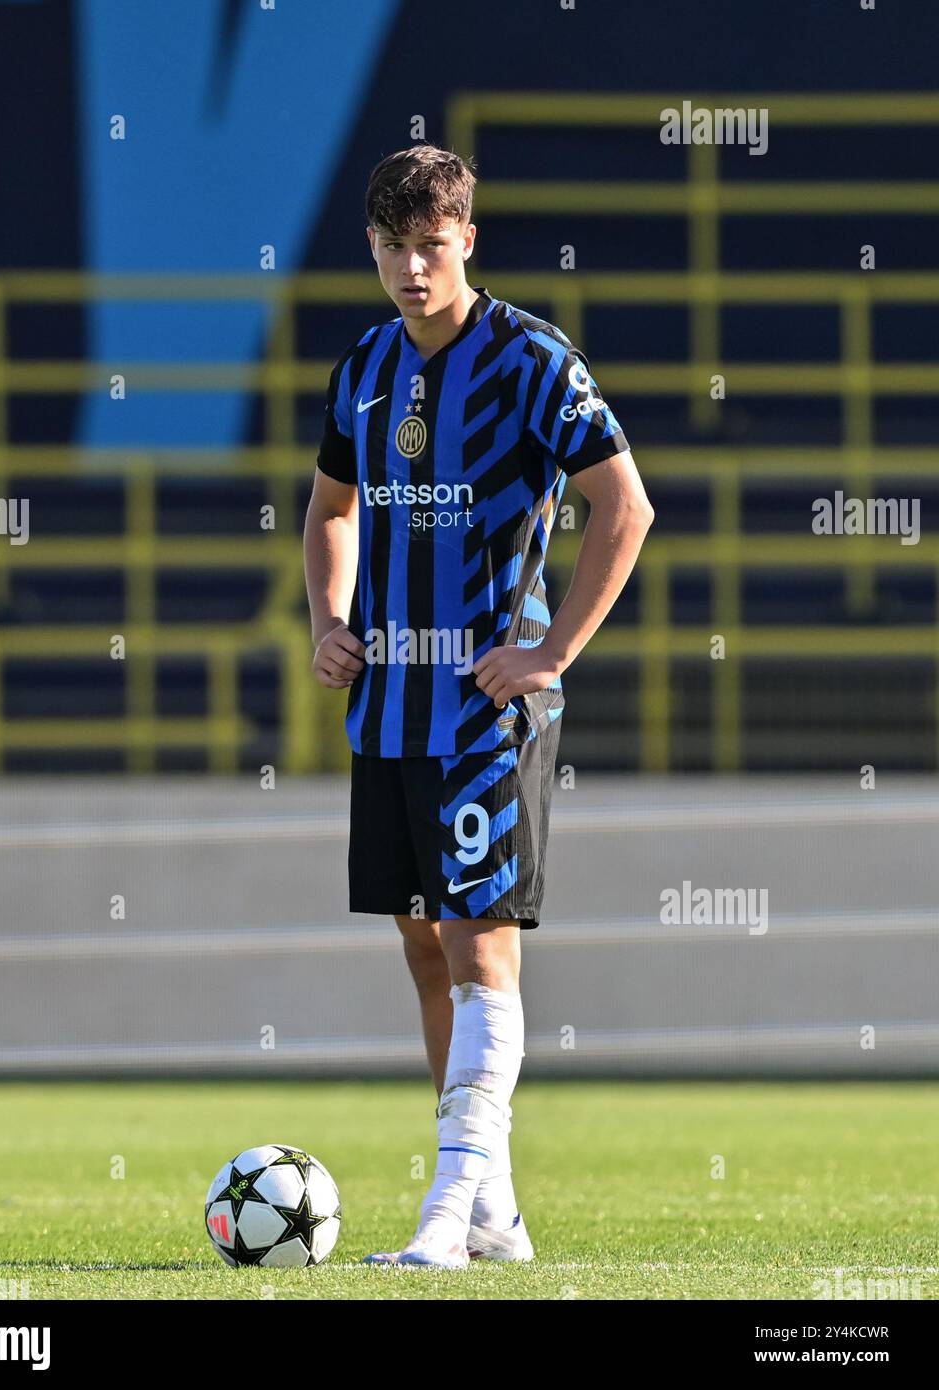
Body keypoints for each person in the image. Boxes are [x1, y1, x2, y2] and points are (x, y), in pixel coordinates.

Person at [304, 144, 654, 1268]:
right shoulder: (362, 367)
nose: (412, 268)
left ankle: (447, 1211)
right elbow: (328, 507)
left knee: (479, 949)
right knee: (420, 943)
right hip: (389, 708)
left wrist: (550, 649)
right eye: (393, 247)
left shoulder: (533, 362)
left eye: (432, 246)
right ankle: (494, 1207)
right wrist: (328, 617)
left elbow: (624, 506)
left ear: (467, 241)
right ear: (369, 246)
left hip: (484, 711)